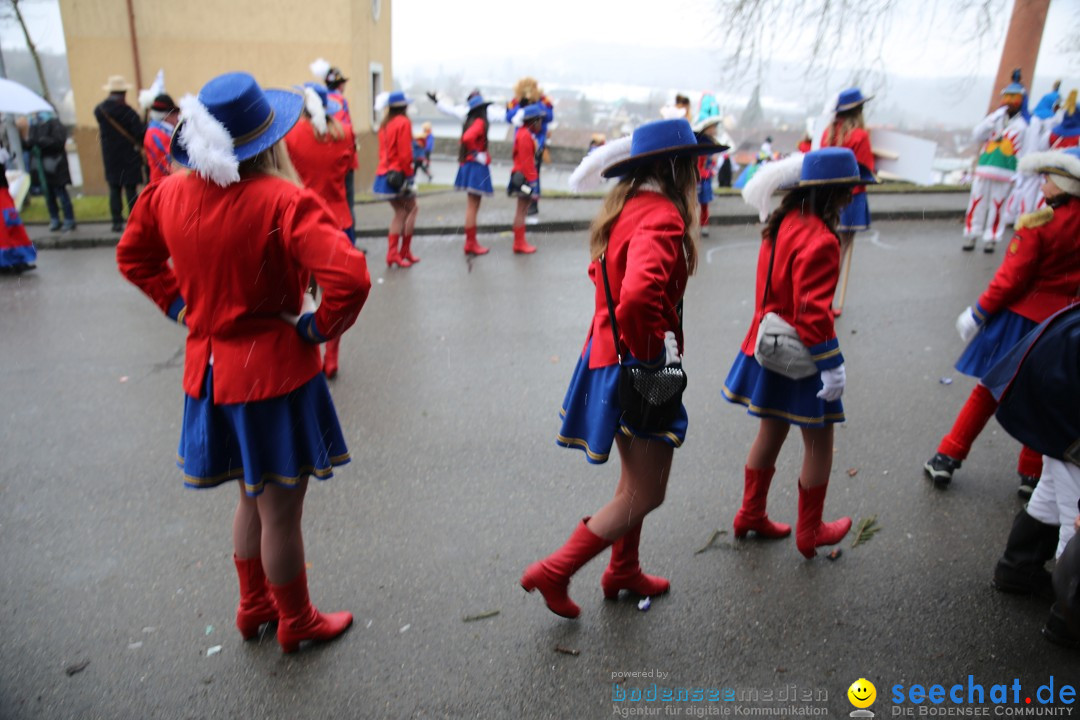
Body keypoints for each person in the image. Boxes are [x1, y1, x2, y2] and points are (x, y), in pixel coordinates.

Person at [116, 72, 370, 654]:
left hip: (209, 375)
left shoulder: (167, 194)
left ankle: (254, 603)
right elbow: (351, 276)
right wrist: (317, 326)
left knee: (250, 497)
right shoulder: (282, 199)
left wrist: (181, 309)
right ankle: (296, 619)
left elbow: (133, 258)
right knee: (280, 510)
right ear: (268, 139)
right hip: (274, 376)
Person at [521, 118, 722, 618]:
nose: (700, 173)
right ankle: (556, 569)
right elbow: (636, 300)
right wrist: (657, 355)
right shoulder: (663, 217)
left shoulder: (633, 206)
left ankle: (623, 569)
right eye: (695, 164)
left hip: (611, 357)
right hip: (638, 362)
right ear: (678, 169)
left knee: (634, 481)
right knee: (648, 491)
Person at [722, 148, 863, 558]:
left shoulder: (782, 221)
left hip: (765, 343)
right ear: (834, 193)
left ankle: (750, 513)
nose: (852, 197)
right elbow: (811, 313)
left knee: (771, 430)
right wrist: (832, 364)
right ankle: (811, 530)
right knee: (819, 441)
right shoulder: (821, 239)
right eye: (848, 189)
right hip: (800, 354)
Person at [924, 147, 1080, 497]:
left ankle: (948, 456)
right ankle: (1030, 474)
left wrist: (977, 312)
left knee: (987, 391)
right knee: (1044, 399)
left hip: (1022, 324)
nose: (1043, 184)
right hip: (1065, 326)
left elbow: (1010, 280)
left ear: (1066, 183)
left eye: (1049, 178)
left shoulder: (1038, 224)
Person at [979, 304, 1080, 649]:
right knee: (1075, 508)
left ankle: (1018, 566)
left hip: (1059, 365)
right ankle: (1070, 615)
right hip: (1066, 382)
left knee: (1056, 483)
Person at [285, 83, 358, 380]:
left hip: (304, 222)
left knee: (306, 291)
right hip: (340, 220)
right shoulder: (346, 134)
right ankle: (333, 356)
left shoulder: (291, 136)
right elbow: (350, 169)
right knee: (335, 294)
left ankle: (311, 352)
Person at [820, 88, 876, 316]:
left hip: (827, 196)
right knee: (840, 250)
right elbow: (864, 171)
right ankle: (829, 301)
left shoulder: (828, 133)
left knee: (825, 249)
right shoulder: (860, 136)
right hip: (850, 197)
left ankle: (821, 298)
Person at [963, 69, 1030, 253]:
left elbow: (1023, 151)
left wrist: (1020, 175)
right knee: (976, 202)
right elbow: (977, 135)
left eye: (1013, 99)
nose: (1009, 103)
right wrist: (991, 120)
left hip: (1006, 171)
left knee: (997, 207)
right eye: (1006, 98)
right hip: (985, 167)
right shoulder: (995, 119)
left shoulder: (1023, 126)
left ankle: (991, 238)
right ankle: (971, 234)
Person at [373, 91, 419, 268]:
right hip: (398, 175)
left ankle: (396, 253)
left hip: (384, 175)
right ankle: (401, 252)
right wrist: (409, 177)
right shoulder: (404, 122)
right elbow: (405, 153)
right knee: (410, 210)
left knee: (401, 212)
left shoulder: (385, 125)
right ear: (405, 106)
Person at [94, 75, 145, 233]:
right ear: (123, 93)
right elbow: (139, 133)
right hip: (129, 155)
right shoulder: (128, 112)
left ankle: (116, 222)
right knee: (131, 189)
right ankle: (134, 220)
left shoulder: (100, 110)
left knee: (114, 189)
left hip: (110, 156)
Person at [505, 77, 554, 222]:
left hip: (537, 143)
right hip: (523, 143)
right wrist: (523, 106)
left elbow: (549, 116)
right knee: (525, 175)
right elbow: (509, 117)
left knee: (533, 173)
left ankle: (532, 206)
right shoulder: (516, 101)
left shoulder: (542, 100)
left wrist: (534, 106)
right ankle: (524, 204)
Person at [453, 94, 496, 256]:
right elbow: (467, 138)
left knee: (472, 206)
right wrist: (476, 153)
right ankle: (470, 243)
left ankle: (471, 242)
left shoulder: (470, 122)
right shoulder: (479, 122)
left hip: (470, 164)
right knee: (473, 206)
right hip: (476, 167)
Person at [26, 110, 76, 232]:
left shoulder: (55, 123)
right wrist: (28, 143)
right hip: (42, 167)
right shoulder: (33, 124)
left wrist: (41, 141)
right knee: (48, 195)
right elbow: (31, 143)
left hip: (57, 165)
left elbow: (59, 142)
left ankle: (69, 219)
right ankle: (54, 218)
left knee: (61, 193)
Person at [507, 104, 545, 255]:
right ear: (533, 121)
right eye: (539, 120)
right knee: (521, 211)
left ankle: (520, 241)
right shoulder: (525, 135)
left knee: (521, 210)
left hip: (521, 177)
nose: (541, 124)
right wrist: (533, 182)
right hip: (523, 178)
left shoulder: (524, 133)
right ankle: (519, 242)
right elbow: (527, 161)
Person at [0, 145, 37, 273]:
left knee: (12, 225)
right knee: (4, 228)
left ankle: (18, 260)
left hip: (3, 192)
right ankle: (7, 263)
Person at [693, 116, 728, 236]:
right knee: (694, 203)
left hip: (705, 178)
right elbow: (698, 164)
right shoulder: (700, 144)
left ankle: (703, 225)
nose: (715, 130)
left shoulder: (711, 144)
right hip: (698, 178)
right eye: (713, 127)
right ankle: (695, 225)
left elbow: (711, 163)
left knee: (704, 204)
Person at [144, 94, 179, 185]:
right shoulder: (155, 134)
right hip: (162, 185)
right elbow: (171, 162)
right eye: (175, 114)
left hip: (166, 183)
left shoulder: (161, 131)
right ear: (167, 116)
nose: (177, 118)